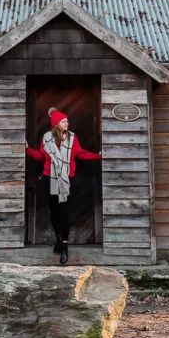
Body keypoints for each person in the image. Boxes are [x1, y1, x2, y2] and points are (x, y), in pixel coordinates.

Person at [26, 107, 101, 265]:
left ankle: (64, 246)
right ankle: (59, 240)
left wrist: (97, 156)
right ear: (56, 124)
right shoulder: (47, 139)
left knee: (64, 211)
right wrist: (27, 149)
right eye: (64, 121)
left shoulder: (72, 138)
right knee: (54, 212)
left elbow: (80, 153)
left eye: (66, 120)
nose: (67, 122)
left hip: (65, 179)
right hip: (50, 178)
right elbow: (41, 156)